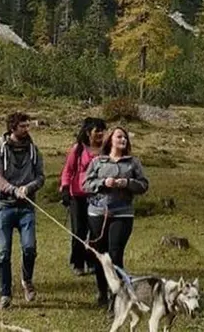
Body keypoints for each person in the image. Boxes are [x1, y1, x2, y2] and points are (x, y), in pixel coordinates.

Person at [83, 126, 149, 309]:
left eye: (126, 137)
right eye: (120, 136)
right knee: (100, 256)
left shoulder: (133, 163)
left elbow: (144, 185)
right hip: (97, 213)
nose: (123, 140)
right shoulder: (98, 161)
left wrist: (127, 183)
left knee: (115, 254)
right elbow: (85, 185)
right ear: (110, 139)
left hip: (123, 213)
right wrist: (103, 182)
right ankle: (102, 292)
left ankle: (117, 298)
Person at [0, 112, 45, 311]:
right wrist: (13, 190)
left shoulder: (34, 151)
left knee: (29, 248)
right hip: (4, 206)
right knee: (3, 253)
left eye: (28, 126)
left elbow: (40, 177)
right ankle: (5, 295)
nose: (26, 129)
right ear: (12, 128)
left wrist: (28, 188)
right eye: (23, 126)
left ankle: (26, 280)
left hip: (27, 207)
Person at [60, 117, 107, 276]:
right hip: (78, 195)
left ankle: (92, 261)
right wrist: (65, 188)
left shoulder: (106, 149)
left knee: (95, 231)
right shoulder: (78, 149)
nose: (100, 133)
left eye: (102, 130)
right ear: (88, 133)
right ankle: (77, 262)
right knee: (79, 231)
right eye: (97, 130)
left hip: (97, 195)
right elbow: (68, 169)